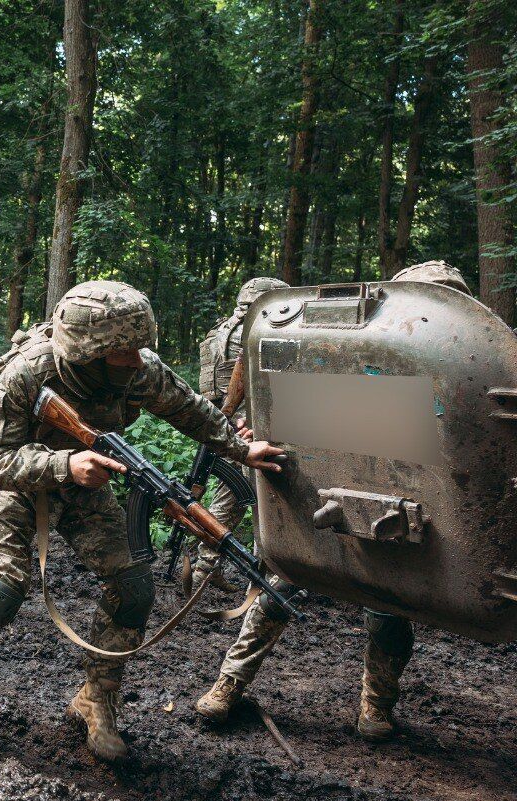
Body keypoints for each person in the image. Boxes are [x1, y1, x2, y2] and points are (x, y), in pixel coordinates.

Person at [0, 281, 285, 760]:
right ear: (85, 353)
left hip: (89, 484)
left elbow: (191, 411)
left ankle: (96, 699)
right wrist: (64, 466)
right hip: (19, 482)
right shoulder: (26, 376)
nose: (136, 360)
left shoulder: (139, 371)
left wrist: (241, 448)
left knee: (135, 588)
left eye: (138, 348)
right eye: (122, 352)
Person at [194, 260, 474, 741]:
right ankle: (228, 686)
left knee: (387, 611)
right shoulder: (356, 357)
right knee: (280, 592)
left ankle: (375, 707)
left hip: (393, 517)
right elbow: (296, 421)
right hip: (325, 508)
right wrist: (251, 432)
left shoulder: (459, 377)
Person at [190, 277, 290, 592]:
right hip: (253, 429)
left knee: (225, 499)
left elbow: (209, 393)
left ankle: (205, 569)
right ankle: (265, 578)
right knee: (269, 502)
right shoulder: (265, 332)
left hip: (220, 426)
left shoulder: (216, 334)